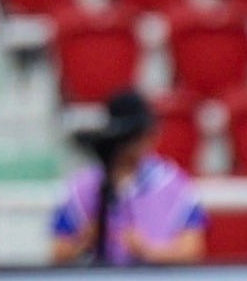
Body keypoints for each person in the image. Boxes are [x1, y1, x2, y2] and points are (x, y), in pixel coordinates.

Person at [51, 89, 206, 265]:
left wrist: (149, 251)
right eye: (131, 137)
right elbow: (57, 252)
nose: (138, 143)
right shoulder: (83, 187)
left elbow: (193, 249)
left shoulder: (174, 186)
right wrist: (84, 241)